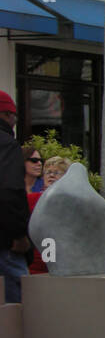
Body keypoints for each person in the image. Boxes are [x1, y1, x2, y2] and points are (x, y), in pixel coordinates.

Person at [0, 92, 31, 302]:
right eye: (14, 116)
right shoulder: (7, 145)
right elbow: (10, 192)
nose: (14, 122)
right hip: (5, 241)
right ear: (5, 114)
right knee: (23, 305)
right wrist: (19, 235)